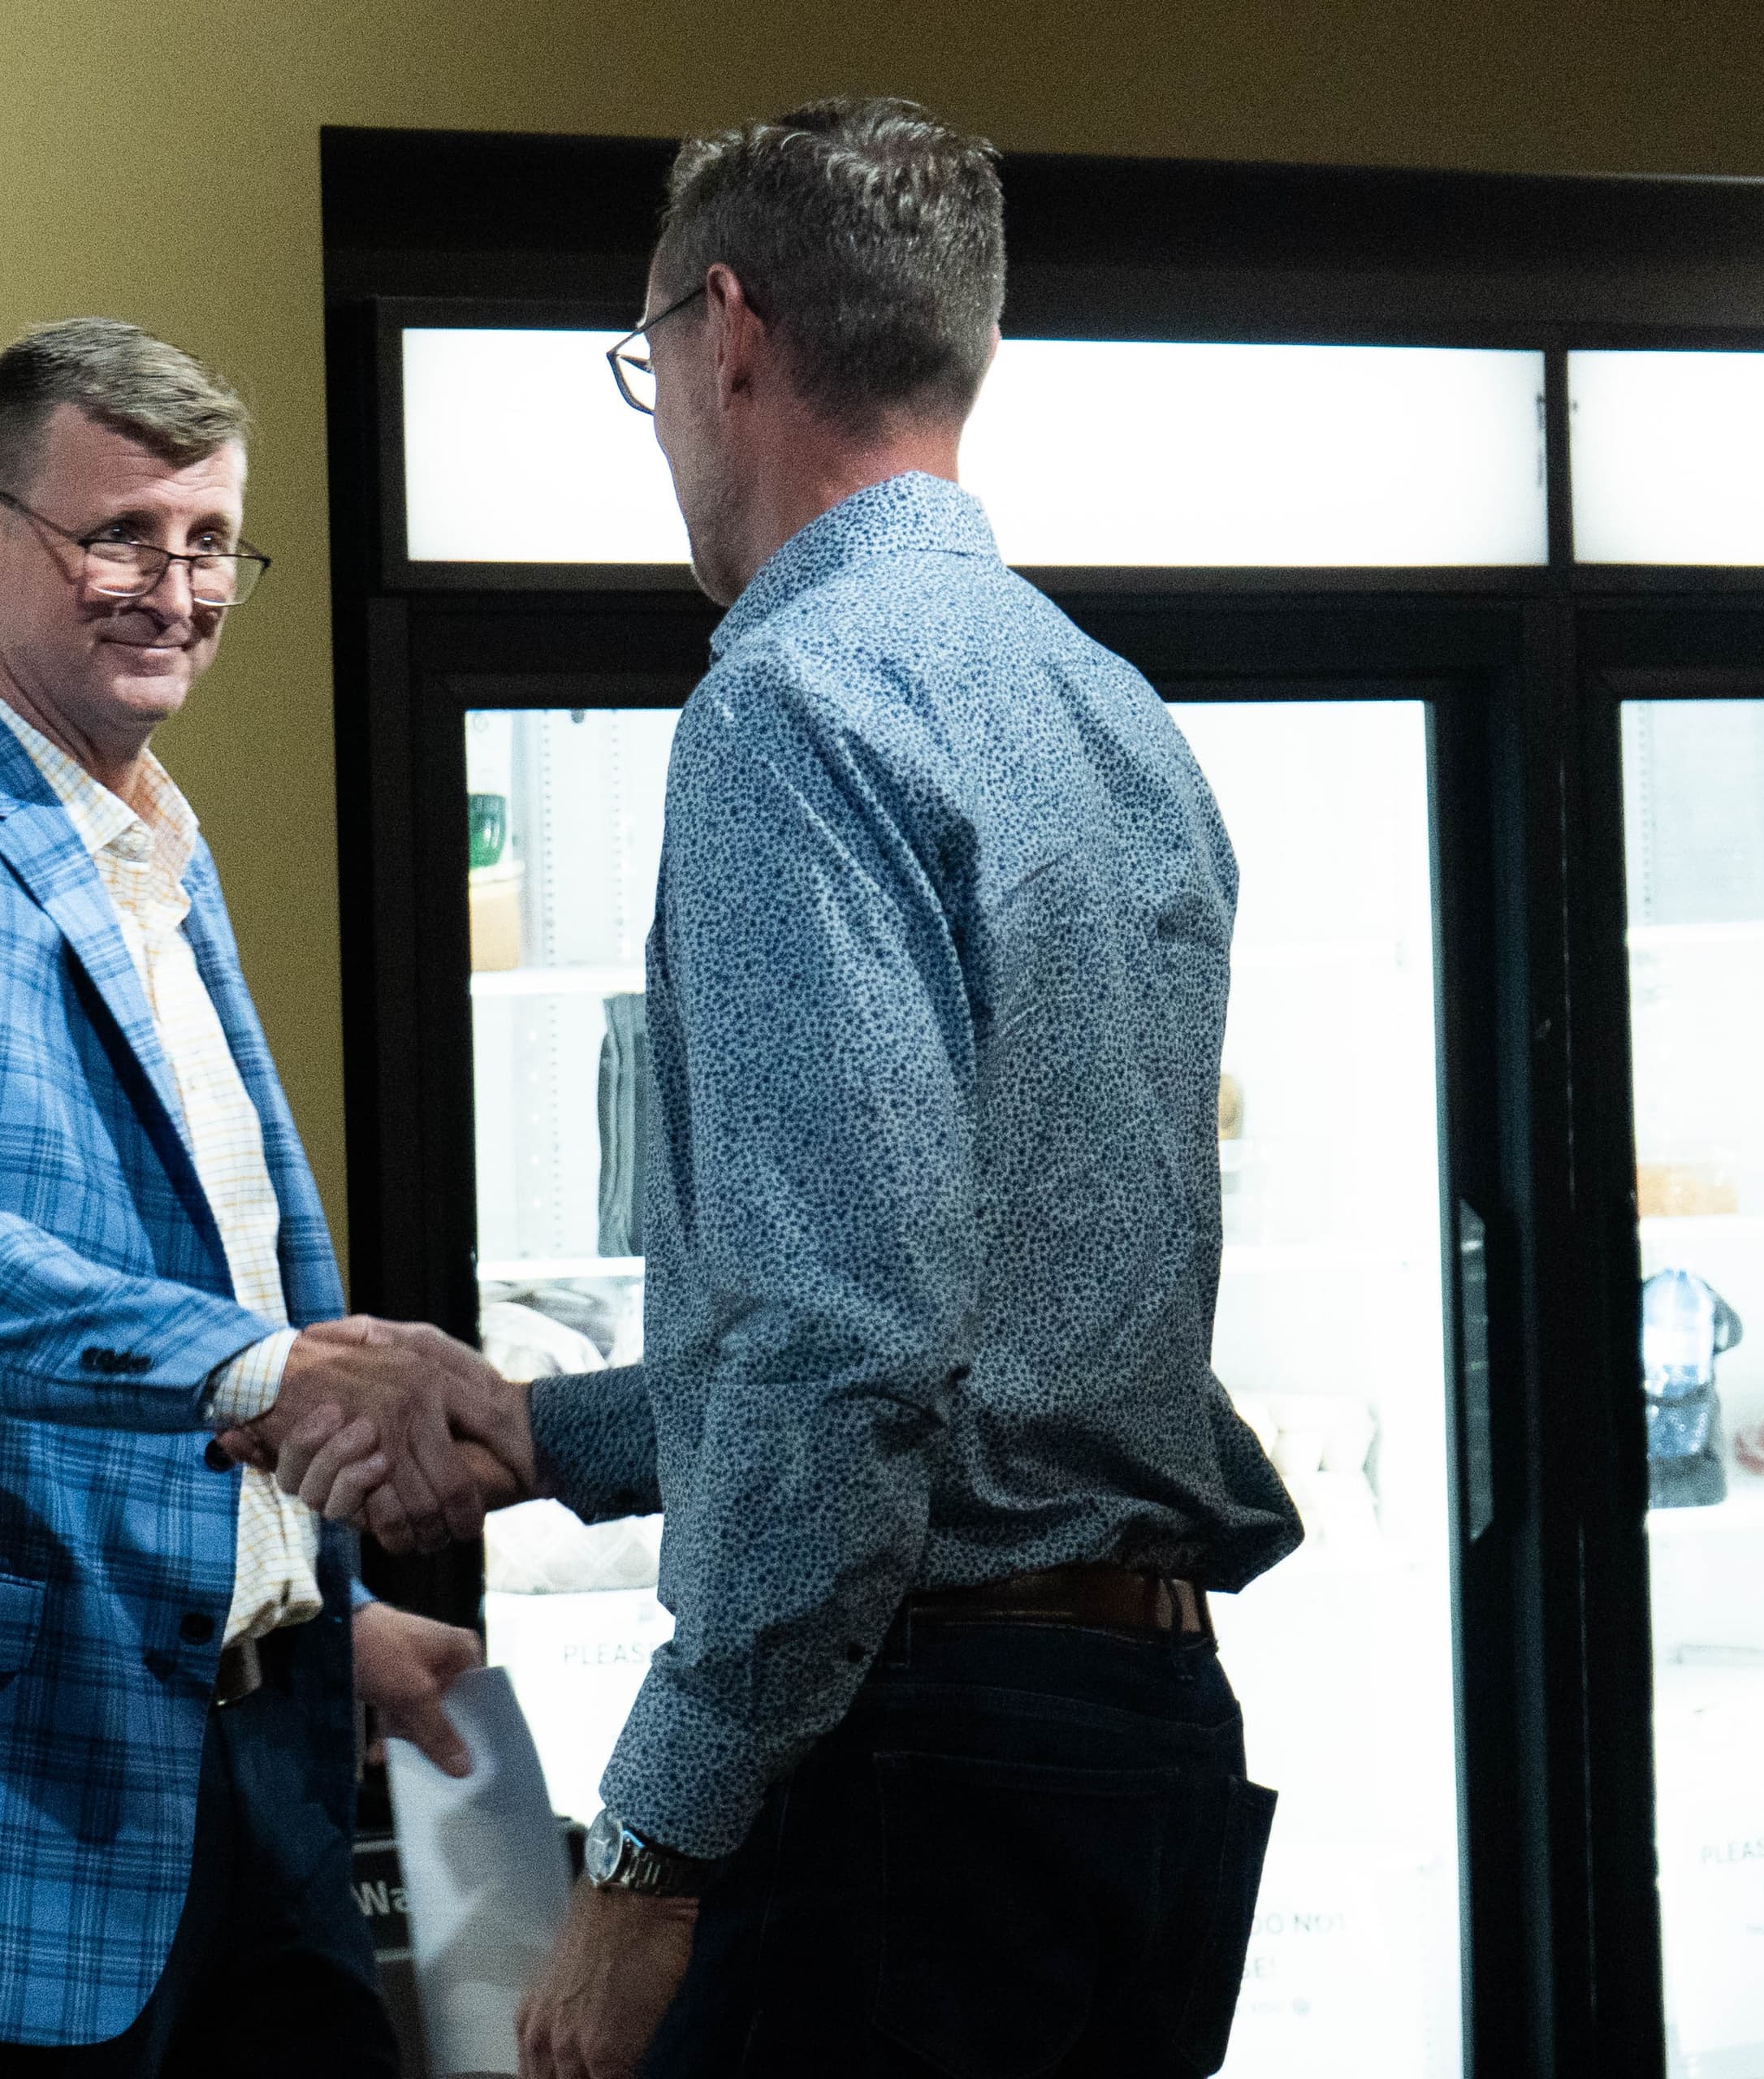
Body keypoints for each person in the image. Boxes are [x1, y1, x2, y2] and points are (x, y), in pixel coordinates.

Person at [241, 101, 1305, 2078]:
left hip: (916, 1766)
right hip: (1144, 1760)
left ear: (727, 331)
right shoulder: (1111, 709)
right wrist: (535, 1430)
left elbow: (848, 1350)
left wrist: (647, 1854)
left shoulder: (794, 700)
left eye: (646, 369)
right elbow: (957, 1342)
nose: (659, 427)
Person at [0, 317, 499, 2078]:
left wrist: (318, 1599)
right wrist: (264, 1370)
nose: (176, 586)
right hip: (19, 1821)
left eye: (211, 539)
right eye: (122, 535)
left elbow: (176, 1287)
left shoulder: (164, 852)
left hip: (263, 1775)